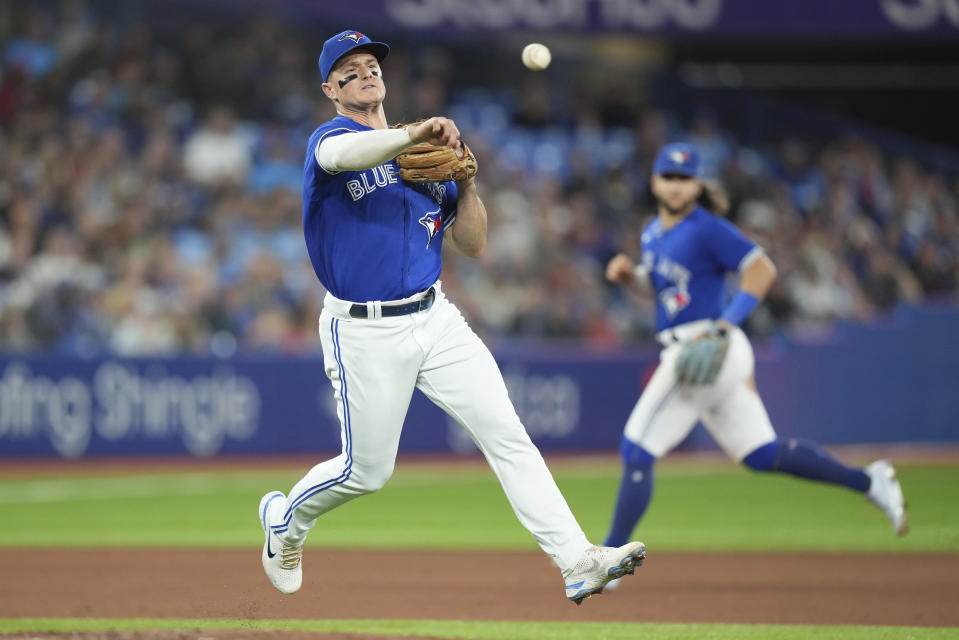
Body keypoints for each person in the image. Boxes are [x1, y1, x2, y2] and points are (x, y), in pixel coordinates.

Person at [257, 29, 645, 605]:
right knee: (368, 472)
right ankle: (287, 522)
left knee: (507, 433)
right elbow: (346, 156)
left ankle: (577, 560)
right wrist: (411, 133)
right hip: (363, 328)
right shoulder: (332, 138)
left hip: (436, 318)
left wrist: (464, 183)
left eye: (371, 65)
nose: (365, 73)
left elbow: (473, 243)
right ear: (330, 90)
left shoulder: (421, 160)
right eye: (350, 70)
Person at [601, 142, 908, 567]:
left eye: (684, 178)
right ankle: (870, 481)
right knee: (761, 454)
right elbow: (665, 293)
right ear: (654, 181)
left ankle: (609, 560)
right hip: (701, 347)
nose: (675, 185)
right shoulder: (652, 233)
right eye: (668, 177)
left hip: (706, 347)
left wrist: (725, 325)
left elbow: (762, 269)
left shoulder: (708, 228)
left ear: (697, 185)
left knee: (637, 448)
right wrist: (631, 277)